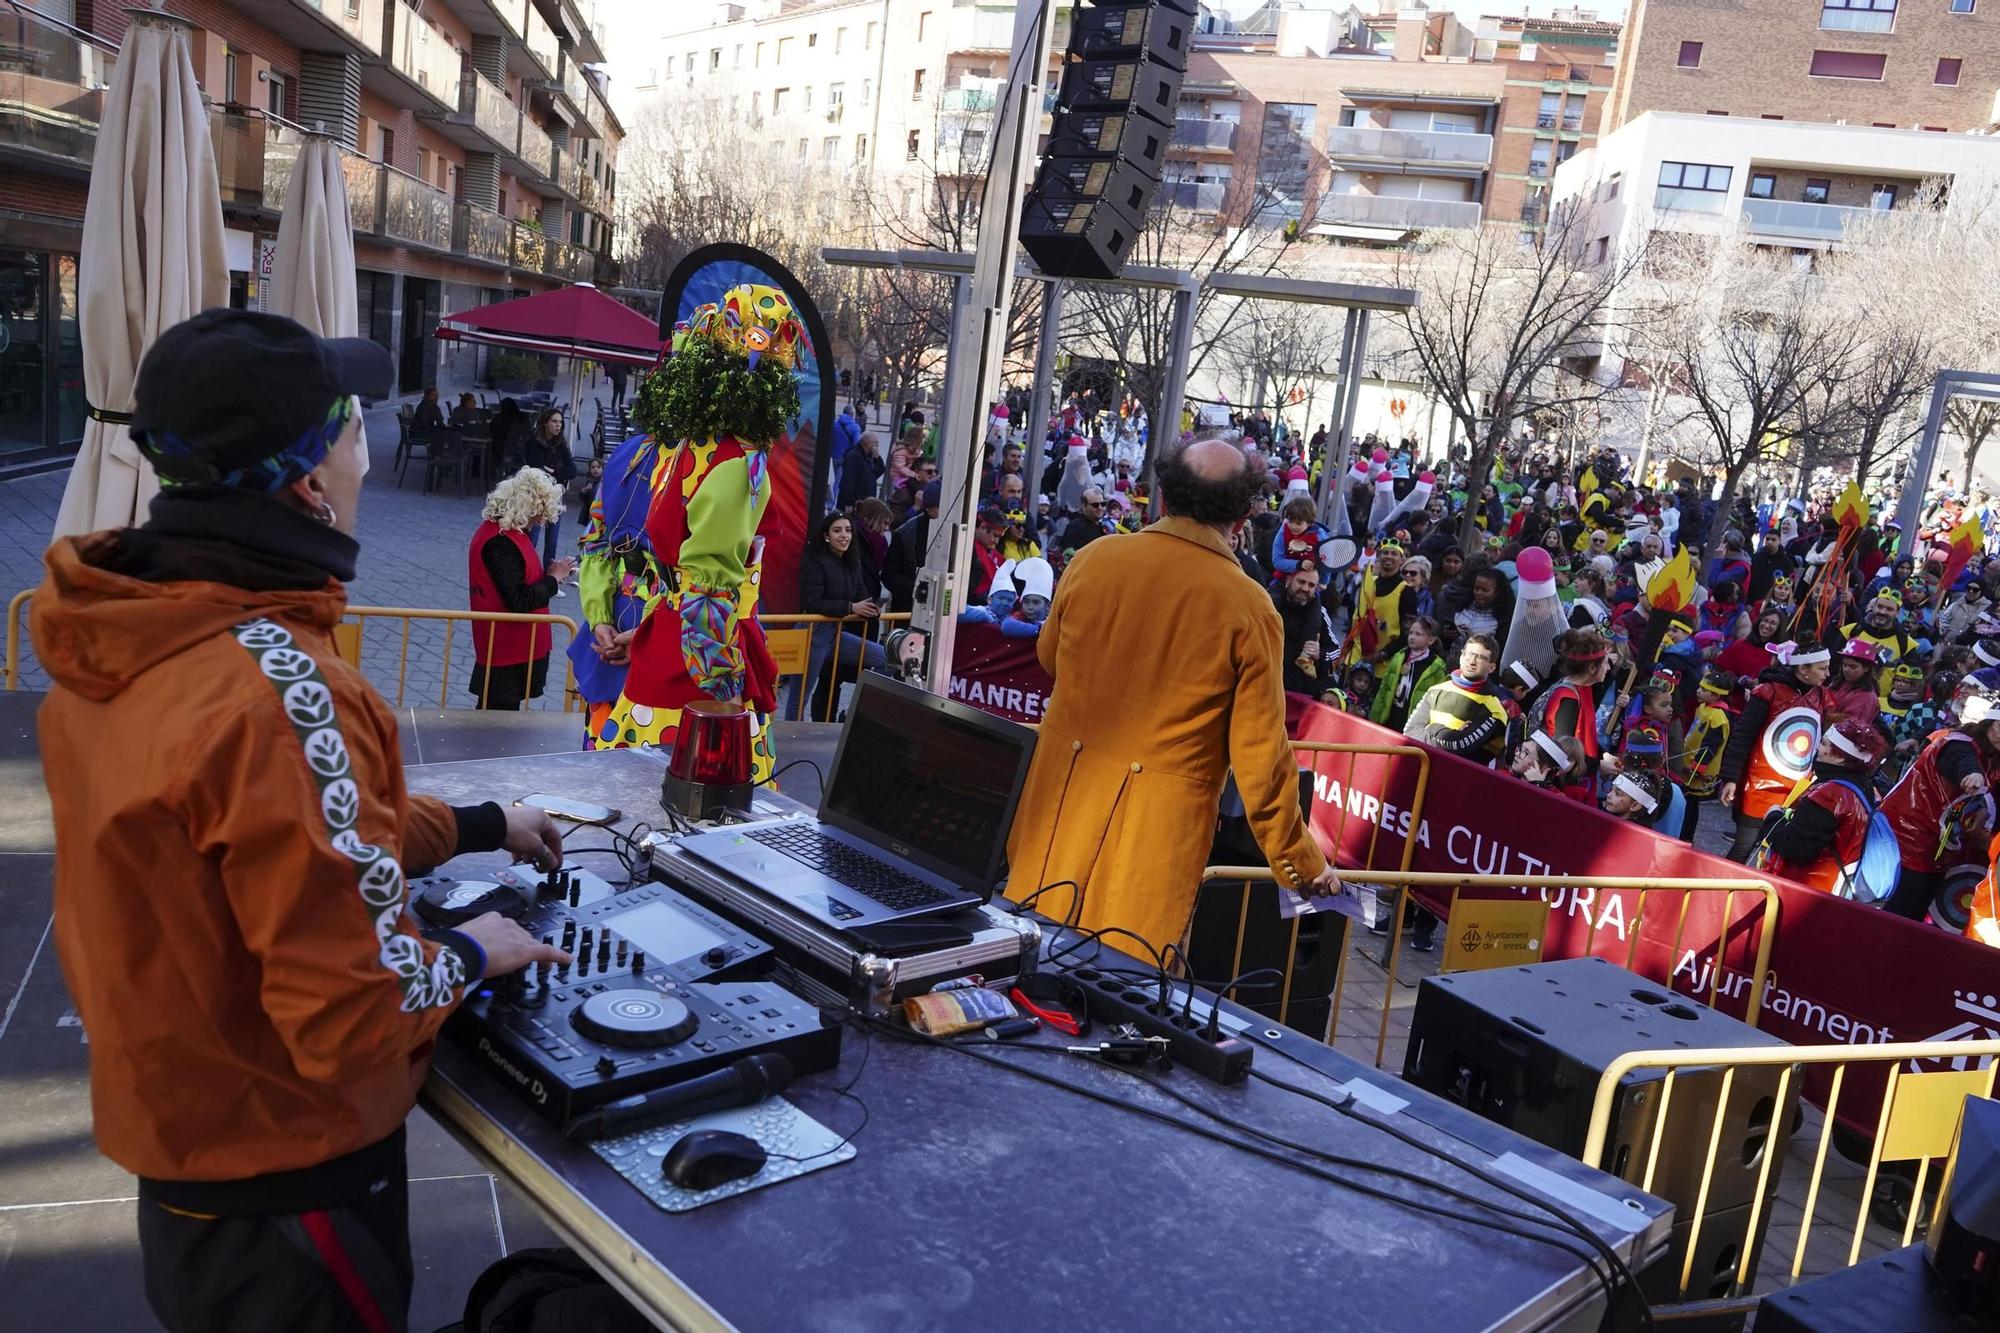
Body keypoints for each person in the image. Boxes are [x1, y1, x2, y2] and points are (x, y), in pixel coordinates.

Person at [33, 309, 567, 1331]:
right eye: (355, 425)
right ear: (308, 483)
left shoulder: (122, 630)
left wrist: (486, 820)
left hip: (191, 1154)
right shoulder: (278, 688)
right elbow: (352, 1011)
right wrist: (471, 949)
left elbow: (296, 838)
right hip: (290, 1185)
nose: (372, 445)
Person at [1004, 439, 1339, 957]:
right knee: (1121, 998)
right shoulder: (1249, 607)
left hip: (1056, 818)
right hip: (1152, 848)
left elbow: (1049, 658)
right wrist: (1302, 862)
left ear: (1163, 497)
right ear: (1245, 514)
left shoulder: (1096, 559)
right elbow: (1262, 762)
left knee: (1022, 972)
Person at [615, 283, 803, 779]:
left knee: (640, 798)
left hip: (666, 646)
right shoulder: (738, 464)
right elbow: (707, 592)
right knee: (703, 811)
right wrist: (724, 691)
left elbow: (680, 573)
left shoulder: (688, 448)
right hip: (697, 667)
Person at [1878, 688, 2000, 921]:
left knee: (1915, 915)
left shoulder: (1992, 756)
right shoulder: (1957, 742)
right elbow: (1963, 761)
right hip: (1908, 840)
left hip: (1938, 850)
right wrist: (1972, 775)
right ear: (1987, 723)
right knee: (1896, 913)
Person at [467, 468, 574, 710]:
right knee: (498, 717)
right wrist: (554, 579)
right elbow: (518, 599)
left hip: (510, 646)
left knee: (498, 715)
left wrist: (548, 576)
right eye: (539, 514)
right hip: (506, 648)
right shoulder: (500, 542)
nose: (541, 520)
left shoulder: (505, 535)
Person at [1717, 643, 1833, 861]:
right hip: (1758, 785)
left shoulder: (1822, 697)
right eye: (1822, 668)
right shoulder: (1769, 692)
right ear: (1803, 669)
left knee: (1775, 855)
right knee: (1744, 847)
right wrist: (1731, 778)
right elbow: (1743, 736)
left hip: (1796, 787)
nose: (1828, 674)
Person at [1759, 719, 1896, 900]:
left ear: (1840, 757)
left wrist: (1773, 817)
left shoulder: (1830, 794)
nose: (1817, 748)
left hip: (1807, 891)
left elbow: (1796, 849)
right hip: (1835, 892)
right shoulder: (1866, 788)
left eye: (1824, 744)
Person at [797, 511, 888, 721]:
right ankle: (788, 741)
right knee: (799, 698)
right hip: (812, 635)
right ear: (827, 536)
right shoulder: (814, 561)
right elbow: (811, 602)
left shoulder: (852, 561)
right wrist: (851, 607)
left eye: (848, 530)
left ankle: (856, 713)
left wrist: (872, 609)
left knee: (885, 659)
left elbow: (862, 594)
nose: (844, 535)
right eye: (837, 530)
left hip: (836, 635)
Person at [1403, 632, 1515, 764]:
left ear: (1491, 667)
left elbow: (1461, 745)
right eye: (1469, 654)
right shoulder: (1436, 690)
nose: (1472, 661)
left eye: (1480, 657)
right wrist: (1448, 738)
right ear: (1462, 656)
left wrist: (1431, 728)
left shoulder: (1494, 708)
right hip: (1417, 766)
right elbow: (1410, 732)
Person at [1372, 615, 1449, 731]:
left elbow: (1437, 703)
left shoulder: (1436, 667)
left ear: (1431, 640)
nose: (1412, 637)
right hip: (1390, 719)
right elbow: (1384, 689)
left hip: (1413, 725)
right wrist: (1375, 717)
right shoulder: (1399, 657)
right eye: (1411, 633)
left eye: (1418, 634)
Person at [1273, 564, 1338, 698]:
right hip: (1267, 684)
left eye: (1311, 585)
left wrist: (1319, 653)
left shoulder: (1320, 614)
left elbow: (1336, 651)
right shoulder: (1269, 605)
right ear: (1288, 580)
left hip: (1299, 693)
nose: (1305, 588)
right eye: (1301, 582)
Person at [523, 406, 577, 567]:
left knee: (552, 539)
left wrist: (556, 470)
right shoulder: (533, 442)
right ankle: (527, 571)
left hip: (555, 497)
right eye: (554, 421)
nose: (558, 425)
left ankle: (549, 575)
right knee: (532, 536)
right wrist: (556, 472)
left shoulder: (561, 444)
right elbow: (536, 469)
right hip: (537, 496)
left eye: (560, 422)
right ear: (545, 423)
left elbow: (572, 470)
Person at [883, 479, 941, 613]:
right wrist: (919, 589)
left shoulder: (955, 532)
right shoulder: (905, 533)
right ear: (929, 507)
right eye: (939, 506)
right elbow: (889, 574)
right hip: (908, 608)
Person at [838, 432, 886, 508]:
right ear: (868, 444)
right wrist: (848, 503)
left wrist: (877, 458)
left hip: (864, 502)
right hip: (854, 502)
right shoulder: (854, 456)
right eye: (875, 444)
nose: (877, 446)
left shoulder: (869, 456)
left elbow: (877, 472)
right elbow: (848, 481)